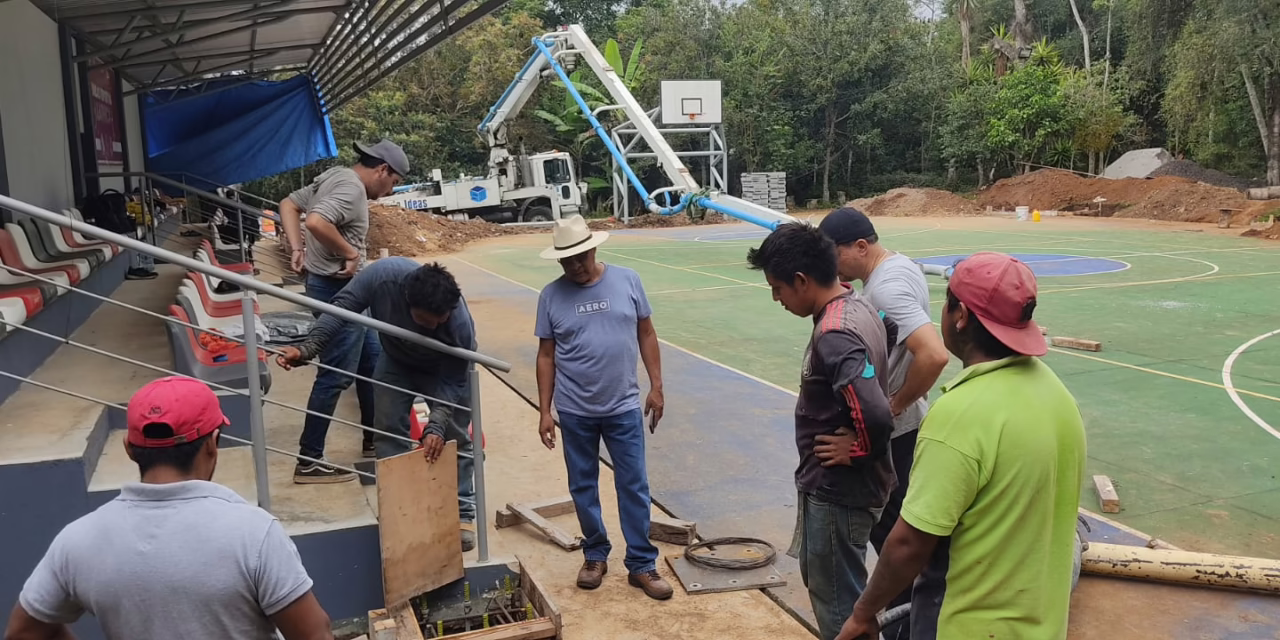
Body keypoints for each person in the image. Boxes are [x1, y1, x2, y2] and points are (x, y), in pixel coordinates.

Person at [835, 252, 1087, 640]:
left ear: (961, 315)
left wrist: (864, 613)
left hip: (966, 625)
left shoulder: (960, 414)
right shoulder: (1058, 396)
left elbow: (910, 543)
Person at [4, 376, 333, 640]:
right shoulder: (254, 534)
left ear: (129, 448)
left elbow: (23, 633)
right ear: (212, 443)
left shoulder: (77, 540)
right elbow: (313, 634)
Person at [746, 222, 898, 640]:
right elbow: (890, 329)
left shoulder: (834, 334)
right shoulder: (859, 305)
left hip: (838, 492)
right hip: (846, 488)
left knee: (839, 609)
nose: (777, 298)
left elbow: (877, 414)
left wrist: (858, 446)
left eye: (777, 288)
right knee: (835, 586)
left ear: (801, 280)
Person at [275, 259, 479, 552]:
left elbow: (454, 376)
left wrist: (435, 423)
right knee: (388, 433)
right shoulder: (383, 277)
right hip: (397, 361)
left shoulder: (458, 321)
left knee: (455, 437)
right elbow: (341, 308)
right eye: (427, 321)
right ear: (407, 299)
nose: (436, 326)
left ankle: (463, 514)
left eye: (441, 320)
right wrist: (309, 347)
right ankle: (400, 509)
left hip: (444, 370)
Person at [818, 208, 949, 638]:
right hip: (905, 429)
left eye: (835, 256)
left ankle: (901, 624)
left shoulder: (887, 288)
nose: (832, 268)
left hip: (896, 434)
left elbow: (934, 354)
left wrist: (891, 407)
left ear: (861, 247)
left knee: (897, 540)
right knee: (903, 534)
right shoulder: (900, 266)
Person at [534, 215, 671, 600]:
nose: (575, 266)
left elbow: (647, 332)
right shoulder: (550, 296)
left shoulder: (628, 280)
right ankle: (595, 554)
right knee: (582, 485)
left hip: (623, 406)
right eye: (567, 261)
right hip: (575, 410)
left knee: (634, 484)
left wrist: (657, 386)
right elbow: (546, 355)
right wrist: (545, 411)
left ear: (593, 248)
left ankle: (641, 564)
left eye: (580, 257)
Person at [278, 139, 408, 484]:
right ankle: (309, 459)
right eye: (393, 182)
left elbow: (288, 204)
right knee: (335, 375)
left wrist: (297, 249)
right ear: (382, 169)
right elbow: (316, 221)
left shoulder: (335, 175)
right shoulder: (351, 189)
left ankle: (374, 439)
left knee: (373, 362)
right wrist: (350, 253)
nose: (389, 191)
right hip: (339, 292)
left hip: (343, 289)